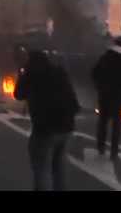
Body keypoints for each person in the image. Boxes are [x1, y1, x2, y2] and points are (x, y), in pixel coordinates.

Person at [14, 50, 81, 191]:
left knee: (41, 170)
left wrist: (21, 73)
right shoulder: (59, 72)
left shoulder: (32, 74)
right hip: (66, 127)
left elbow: (18, 94)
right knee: (59, 168)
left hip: (45, 129)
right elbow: (72, 97)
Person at [92, 39, 121, 161]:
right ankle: (114, 152)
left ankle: (100, 147)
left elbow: (94, 73)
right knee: (117, 125)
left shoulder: (105, 57)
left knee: (103, 121)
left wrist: (99, 87)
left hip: (104, 95)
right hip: (118, 96)